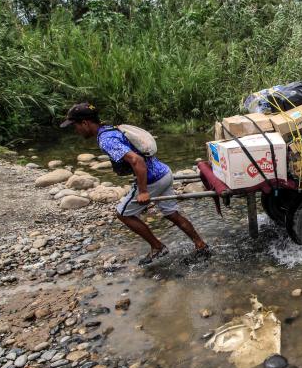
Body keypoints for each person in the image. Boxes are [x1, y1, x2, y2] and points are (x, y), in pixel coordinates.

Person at [60, 103, 209, 265]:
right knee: (172, 213)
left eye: (75, 125)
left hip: (152, 180)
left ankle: (158, 247)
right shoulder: (111, 129)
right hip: (164, 172)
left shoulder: (106, 139)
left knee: (123, 214)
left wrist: (143, 191)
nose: (76, 130)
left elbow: (136, 160)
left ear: (85, 123)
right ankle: (200, 244)